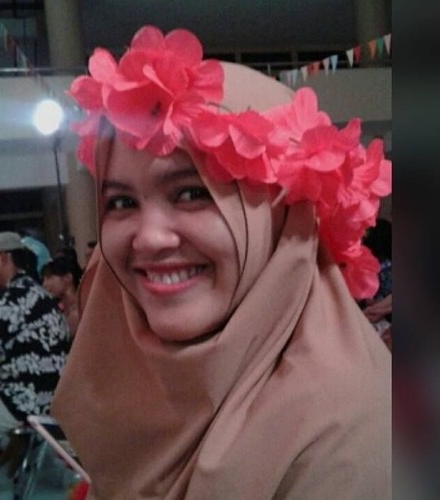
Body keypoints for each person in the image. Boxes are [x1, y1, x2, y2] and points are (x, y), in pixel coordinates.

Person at [51, 26, 392, 499]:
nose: (149, 238)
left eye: (192, 193)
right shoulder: (131, 368)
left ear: (281, 213)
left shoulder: (348, 439)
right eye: (121, 203)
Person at [0, 231, 70, 449]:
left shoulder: (12, 297)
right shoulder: (36, 292)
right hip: (50, 397)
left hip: (23, 397)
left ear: (3, 258)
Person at [42, 255, 83, 339]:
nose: (44, 284)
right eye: (44, 279)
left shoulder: (77, 313)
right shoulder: (61, 308)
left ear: (68, 278)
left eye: (49, 277)